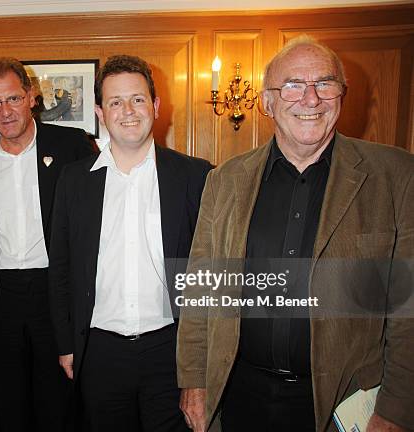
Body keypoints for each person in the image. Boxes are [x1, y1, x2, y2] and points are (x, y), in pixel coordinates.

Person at [177, 36, 414, 432]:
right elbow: (203, 288)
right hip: (239, 394)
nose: (310, 99)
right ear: (267, 102)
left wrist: (395, 410)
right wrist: (194, 382)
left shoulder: (397, 176)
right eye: (292, 85)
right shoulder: (225, 180)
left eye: (324, 83)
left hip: (345, 403)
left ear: (342, 94)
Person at [49, 54, 212, 431]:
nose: (128, 111)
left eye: (138, 99)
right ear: (100, 112)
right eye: (115, 102)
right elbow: (60, 267)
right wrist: (65, 343)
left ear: (155, 106)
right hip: (99, 351)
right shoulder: (73, 181)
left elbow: (209, 270)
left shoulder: (195, 175)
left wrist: (201, 359)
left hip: (171, 349)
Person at [0, 57, 95, 431]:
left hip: (55, 293)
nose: (5, 111)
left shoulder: (71, 146)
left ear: (32, 96)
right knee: (6, 400)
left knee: (58, 400)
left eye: (13, 99)